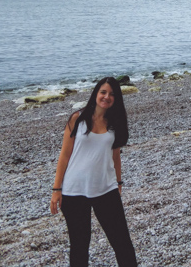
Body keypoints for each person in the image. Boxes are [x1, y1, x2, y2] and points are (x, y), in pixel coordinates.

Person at [50, 77, 138, 267]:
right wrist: (56, 189)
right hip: (74, 191)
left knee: (122, 244)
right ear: (96, 93)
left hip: (105, 189)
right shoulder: (77, 119)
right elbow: (64, 155)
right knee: (80, 247)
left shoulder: (115, 123)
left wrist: (119, 183)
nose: (107, 97)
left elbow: (115, 157)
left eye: (112, 94)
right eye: (103, 92)